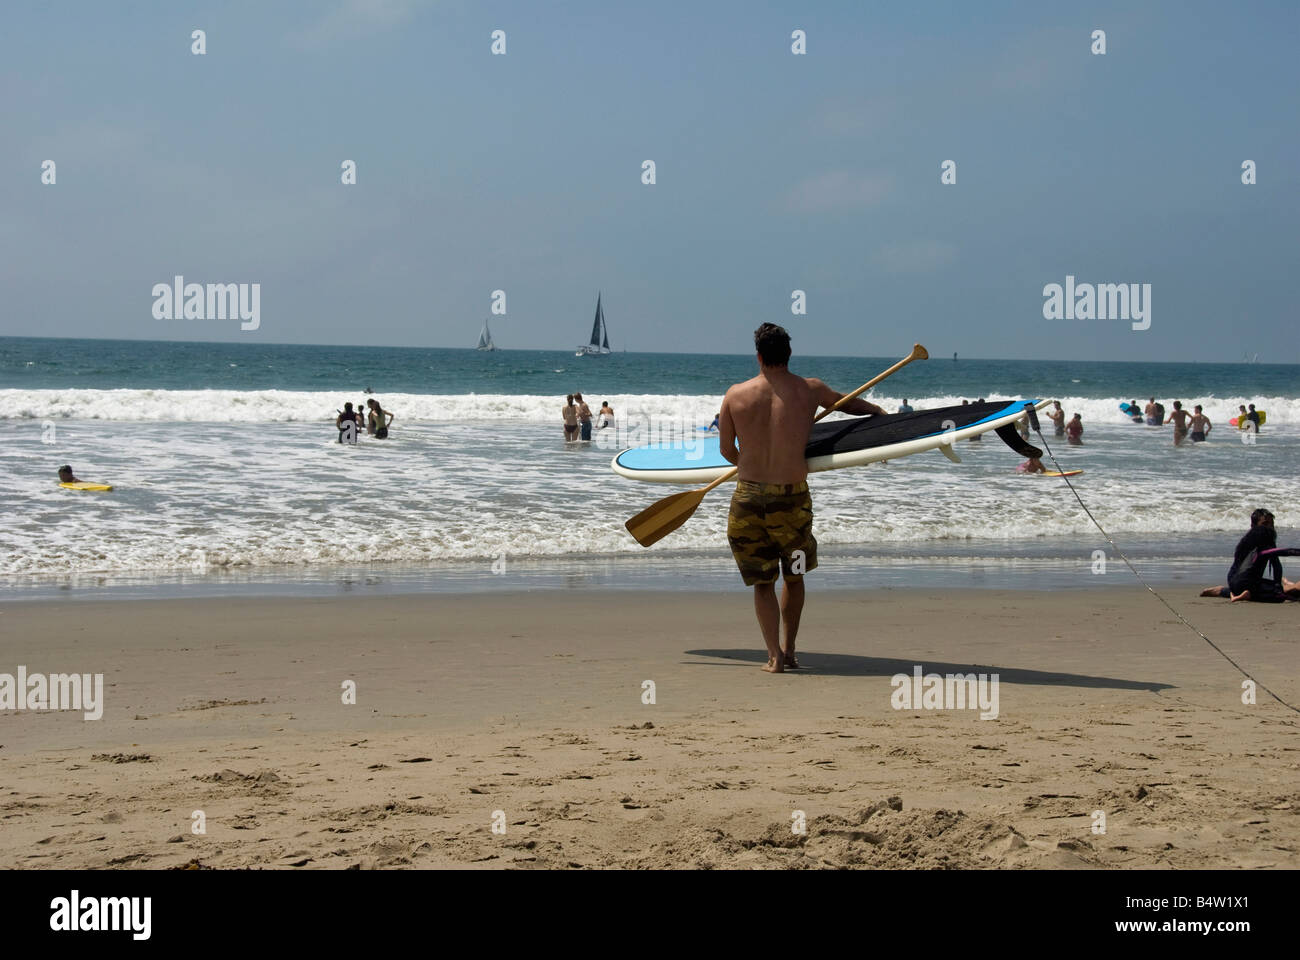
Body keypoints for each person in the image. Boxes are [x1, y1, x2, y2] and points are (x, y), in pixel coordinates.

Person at [718, 323, 886, 674]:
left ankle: (773, 656)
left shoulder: (735, 395)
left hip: (748, 499)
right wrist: (878, 412)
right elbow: (847, 404)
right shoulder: (810, 390)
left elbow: (726, 451)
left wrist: (751, 467)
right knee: (794, 575)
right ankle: (792, 649)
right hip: (792, 501)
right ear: (789, 355)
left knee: (763, 582)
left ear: (759, 356)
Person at [1200, 510, 1300, 602]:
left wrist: (1278, 585)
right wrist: (1279, 589)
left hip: (1242, 582)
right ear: (1253, 525)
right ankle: (1236, 593)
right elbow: (1287, 552)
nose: (1270, 528)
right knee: (1278, 596)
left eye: (1271, 524)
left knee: (1278, 590)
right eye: (1265, 524)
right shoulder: (1256, 546)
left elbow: (1276, 564)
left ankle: (1224, 591)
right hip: (1242, 582)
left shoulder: (1249, 542)